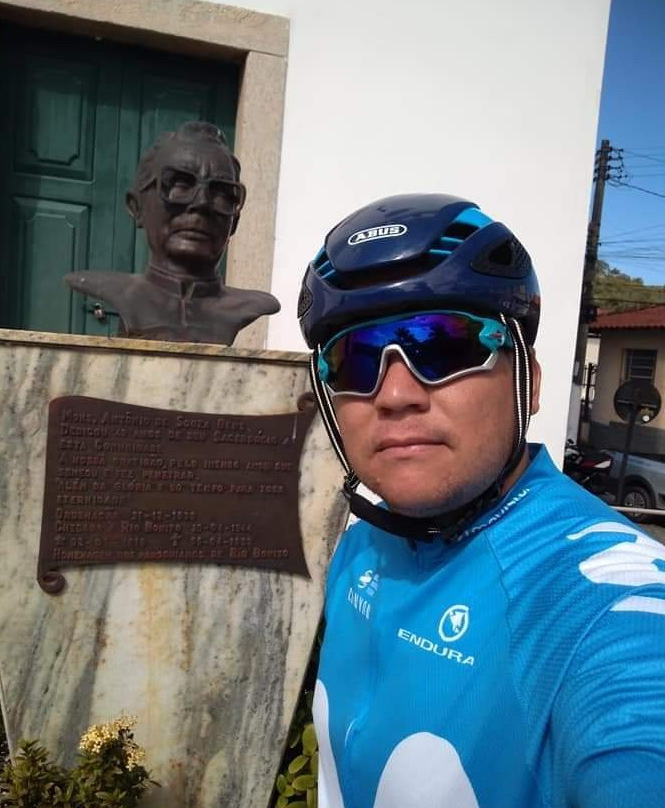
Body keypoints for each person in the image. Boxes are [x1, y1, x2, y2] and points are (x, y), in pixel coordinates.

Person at [297, 194, 665, 808]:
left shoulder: (602, 601)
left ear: (531, 379)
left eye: (444, 344)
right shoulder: (365, 540)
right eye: (355, 359)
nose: (394, 394)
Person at [65, 121, 279, 344]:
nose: (202, 203)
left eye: (222, 193)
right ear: (137, 207)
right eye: (180, 185)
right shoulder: (114, 291)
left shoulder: (250, 306)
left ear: (234, 223)